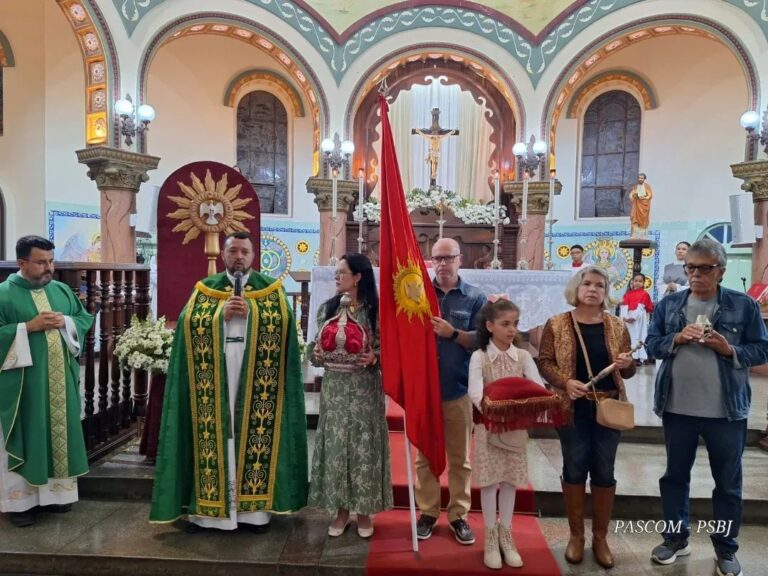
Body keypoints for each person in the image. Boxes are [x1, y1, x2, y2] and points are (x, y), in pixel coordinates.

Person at [150, 232, 308, 531]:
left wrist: (255, 316)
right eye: (233, 251)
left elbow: (284, 325)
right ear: (223, 255)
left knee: (252, 431)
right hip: (216, 368)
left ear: (253, 255)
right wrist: (219, 317)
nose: (239, 257)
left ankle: (254, 512)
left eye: (244, 252)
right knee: (219, 432)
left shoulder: (270, 290)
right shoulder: (205, 289)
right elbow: (188, 324)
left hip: (257, 372)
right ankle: (210, 513)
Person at [646, 238, 768, 576]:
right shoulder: (670, 305)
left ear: (721, 271)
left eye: (705, 268)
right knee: (674, 477)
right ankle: (675, 539)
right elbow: (652, 345)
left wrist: (729, 349)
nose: (696, 275)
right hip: (677, 409)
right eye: (691, 268)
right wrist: (676, 339)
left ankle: (726, 549)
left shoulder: (742, 306)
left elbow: (762, 349)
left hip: (725, 412)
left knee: (727, 483)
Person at [538, 266, 635, 569]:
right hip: (572, 407)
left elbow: (629, 369)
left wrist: (627, 363)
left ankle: (601, 537)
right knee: (575, 466)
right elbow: (544, 361)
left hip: (609, 407)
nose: (593, 289)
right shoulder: (557, 324)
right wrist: (565, 382)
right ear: (576, 289)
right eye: (587, 284)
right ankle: (576, 535)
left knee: (604, 470)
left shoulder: (618, 326)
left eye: (600, 285)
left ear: (607, 292)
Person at [0, 235, 94, 527]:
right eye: (41, 262)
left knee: (57, 432)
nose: (49, 268)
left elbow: (83, 317)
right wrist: (28, 327)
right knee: (27, 434)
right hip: (22, 386)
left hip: (59, 382)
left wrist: (66, 322)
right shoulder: (3, 294)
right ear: (22, 262)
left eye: (51, 261)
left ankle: (57, 496)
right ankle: (20, 503)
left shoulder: (61, 289)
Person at [307, 253, 392, 538]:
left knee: (363, 448)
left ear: (358, 277)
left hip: (364, 390)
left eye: (342, 272)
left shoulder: (376, 311)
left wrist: (376, 356)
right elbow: (314, 349)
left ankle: (365, 511)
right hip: (335, 391)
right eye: (336, 272)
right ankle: (341, 511)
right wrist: (316, 353)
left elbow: (389, 351)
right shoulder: (326, 309)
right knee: (337, 447)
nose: (337, 277)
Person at [415, 237, 486, 545]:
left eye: (448, 258)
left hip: (457, 389)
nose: (442, 264)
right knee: (424, 457)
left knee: (460, 459)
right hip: (425, 393)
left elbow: (483, 339)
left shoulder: (474, 297)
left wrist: (452, 333)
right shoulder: (417, 294)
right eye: (437, 259)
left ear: (460, 260)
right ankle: (428, 513)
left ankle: (458, 515)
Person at [468, 297, 544, 569]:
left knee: (510, 480)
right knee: (490, 482)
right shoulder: (479, 356)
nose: (512, 329)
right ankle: (490, 535)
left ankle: (506, 533)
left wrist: (541, 399)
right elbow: (475, 391)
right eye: (505, 324)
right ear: (489, 326)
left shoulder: (522, 356)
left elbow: (536, 386)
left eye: (515, 324)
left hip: (514, 428)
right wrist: (495, 409)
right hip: (488, 427)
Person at [620, 273, 654, 365]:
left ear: (643, 283)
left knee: (639, 336)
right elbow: (624, 306)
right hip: (628, 317)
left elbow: (641, 307)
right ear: (632, 282)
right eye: (636, 281)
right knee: (630, 336)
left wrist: (634, 317)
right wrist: (625, 317)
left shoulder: (644, 294)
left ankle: (639, 358)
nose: (638, 283)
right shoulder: (627, 294)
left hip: (639, 318)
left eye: (640, 281)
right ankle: (631, 356)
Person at [628, 173, 653, 238]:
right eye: (639, 178)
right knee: (634, 218)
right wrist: (633, 196)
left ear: (644, 179)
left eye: (642, 178)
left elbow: (650, 195)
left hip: (644, 205)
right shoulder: (635, 187)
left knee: (644, 219)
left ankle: (643, 235)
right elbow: (631, 194)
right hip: (636, 205)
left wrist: (644, 198)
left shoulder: (647, 186)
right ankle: (634, 235)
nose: (640, 179)